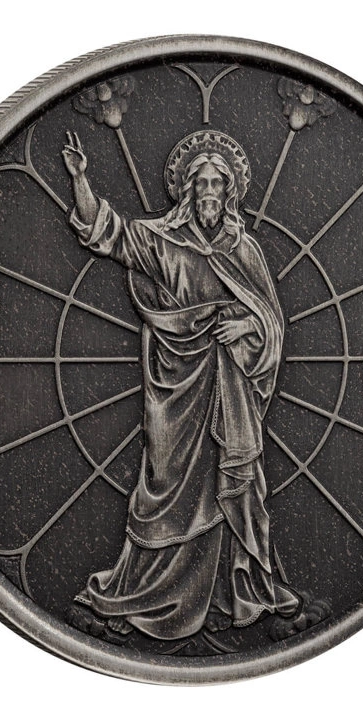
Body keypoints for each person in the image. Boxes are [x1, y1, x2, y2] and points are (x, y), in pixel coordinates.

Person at [63, 130, 298, 640]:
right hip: (175, 387)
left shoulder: (245, 249)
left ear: (229, 192)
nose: (209, 191)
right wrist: (80, 179)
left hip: (228, 384)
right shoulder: (162, 242)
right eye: (202, 183)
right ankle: (145, 592)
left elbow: (272, 321)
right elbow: (107, 234)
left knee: (227, 483)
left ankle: (229, 593)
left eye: (218, 183)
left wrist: (247, 325)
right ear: (188, 190)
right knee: (166, 484)